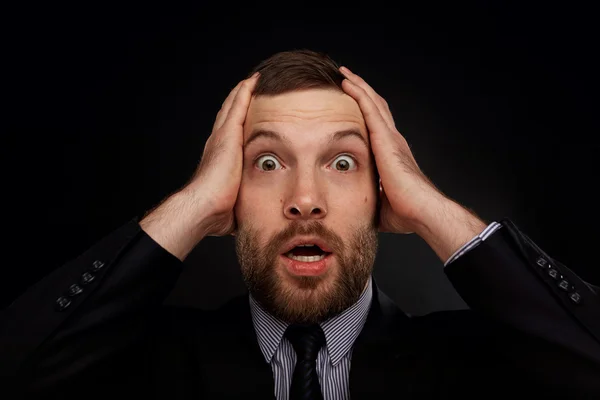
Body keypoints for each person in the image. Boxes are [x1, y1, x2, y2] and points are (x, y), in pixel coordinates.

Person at [1, 49, 599, 400]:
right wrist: (193, 203)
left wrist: (429, 205)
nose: (305, 200)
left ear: (382, 193)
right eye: (266, 162)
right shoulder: (146, 363)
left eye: (343, 163)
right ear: (228, 194)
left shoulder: (478, 363)